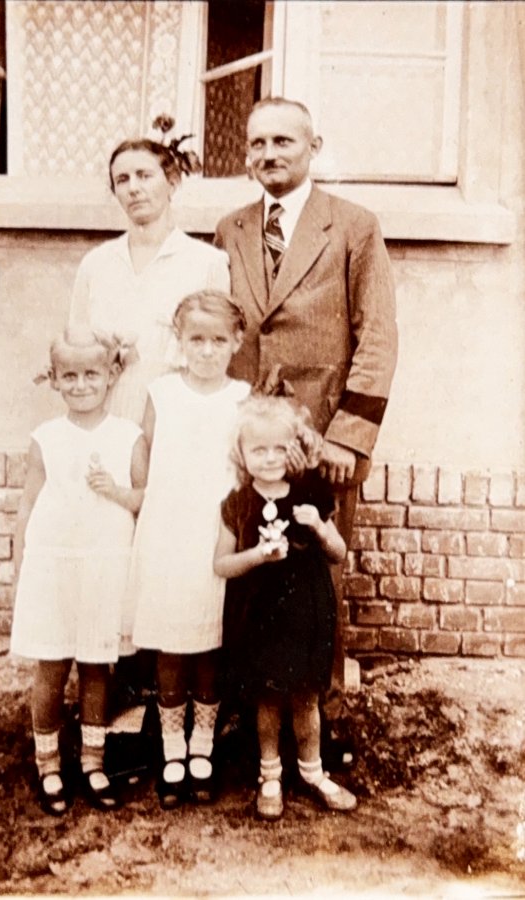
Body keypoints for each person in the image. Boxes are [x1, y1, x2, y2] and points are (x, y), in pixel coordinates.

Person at [214, 97, 398, 690]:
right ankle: (250, 714)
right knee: (251, 575)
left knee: (318, 579)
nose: (269, 153)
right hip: (250, 438)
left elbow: (378, 335)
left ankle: (322, 713)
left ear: (313, 148)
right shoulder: (231, 229)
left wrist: (347, 436)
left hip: (321, 435)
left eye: (283, 141)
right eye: (258, 143)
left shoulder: (353, 226)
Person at [10, 327, 148, 815]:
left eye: (92, 373)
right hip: (55, 566)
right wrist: (21, 567)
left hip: (104, 565)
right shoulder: (46, 438)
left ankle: (93, 760)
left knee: (96, 665)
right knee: (51, 666)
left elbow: (144, 499)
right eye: (69, 376)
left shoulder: (128, 436)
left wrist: (115, 490)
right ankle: (48, 763)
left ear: (112, 375)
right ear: (54, 379)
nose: (82, 384)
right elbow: (28, 505)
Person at [128, 290, 250, 809]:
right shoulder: (162, 392)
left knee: (209, 642)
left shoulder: (242, 396)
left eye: (218, 340)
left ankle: (203, 745)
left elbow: (245, 464)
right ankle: (171, 747)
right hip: (169, 530)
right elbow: (145, 449)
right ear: (179, 340)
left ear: (236, 342)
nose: (206, 350)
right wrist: (142, 505)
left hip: (215, 531)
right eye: (196, 339)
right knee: (172, 643)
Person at [214, 395, 357, 821]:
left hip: (306, 614)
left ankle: (314, 773)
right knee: (268, 701)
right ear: (240, 452)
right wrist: (258, 555)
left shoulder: (310, 494)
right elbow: (221, 565)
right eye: (259, 449)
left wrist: (318, 527)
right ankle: (270, 776)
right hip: (260, 618)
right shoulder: (237, 502)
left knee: (307, 699)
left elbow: (338, 553)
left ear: (296, 447)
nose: (271, 458)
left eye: (280, 448)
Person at [69, 137, 230, 426]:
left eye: (144, 176)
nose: (133, 188)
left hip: (178, 421)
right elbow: (75, 350)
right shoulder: (96, 264)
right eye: (122, 180)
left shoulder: (207, 263)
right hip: (106, 420)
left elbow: (217, 355)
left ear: (172, 183)